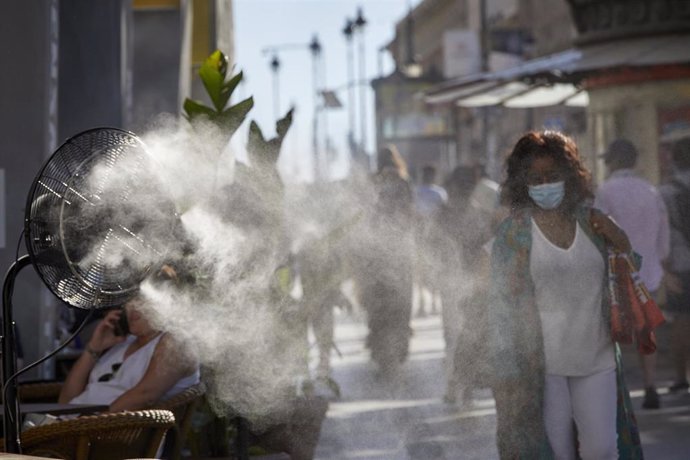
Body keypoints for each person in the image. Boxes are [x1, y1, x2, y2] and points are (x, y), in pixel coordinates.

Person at [488, 130, 643, 459]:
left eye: (553, 175)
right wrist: (504, 370)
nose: (545, 184)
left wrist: (622, 240)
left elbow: (629, 269)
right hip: (543, 367)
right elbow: (500, 304)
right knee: (557, 453)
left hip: (597, 355)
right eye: (535, 177)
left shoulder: (592, 223)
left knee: (602, 450)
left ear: (570, 176)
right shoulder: (514, 233)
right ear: (522, 182)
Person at [58, 265, 200, 412]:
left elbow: (145, 396)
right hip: (72, 426)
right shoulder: (123, 343)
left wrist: (88, 427)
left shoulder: (176, 342)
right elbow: (66, 401)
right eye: (129, 299)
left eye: (142, 299)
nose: (132, 307)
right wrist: (93, 349)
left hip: (102, 431)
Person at [594, 138, 670, 409]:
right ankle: (650, 384)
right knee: (646, 329)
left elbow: (599, 231)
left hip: (616, 271)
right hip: (648, 271)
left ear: (613, 161)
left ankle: (616, 388)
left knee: (614, 329)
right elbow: (664, 234)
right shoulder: (650, 191)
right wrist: (661, 262)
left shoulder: (606, 191)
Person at [437, 165, 496, 405]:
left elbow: (431, 245)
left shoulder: (442, 214)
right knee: (469, 334)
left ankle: (456, 385)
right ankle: (463, 384)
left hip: (456, 282)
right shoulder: (481, 215)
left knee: (455, 335)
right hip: (473, 282)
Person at [359, 144, 414, 374]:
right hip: (401, 252)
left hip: (375, 255)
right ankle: (399, 346)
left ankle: (380, 348)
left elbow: (363, 215)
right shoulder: (403, 183)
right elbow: (410, 216)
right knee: (401, 303)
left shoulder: (372, 183)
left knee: (377, 304)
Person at [660, 136, 690, 394]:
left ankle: (681, 377)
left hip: (681, 263)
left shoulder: (666, 192)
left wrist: (665, 270)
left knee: (681, 321)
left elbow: (664, 233)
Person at [413, 165, 448, 317]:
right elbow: (445, 214)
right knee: (435, 269)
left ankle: (422, 304)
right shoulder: (440, 193)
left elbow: (413, 214)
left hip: (421, 236)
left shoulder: (416, 192)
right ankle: (433, 302)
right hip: (436, 236)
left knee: (421, 270)